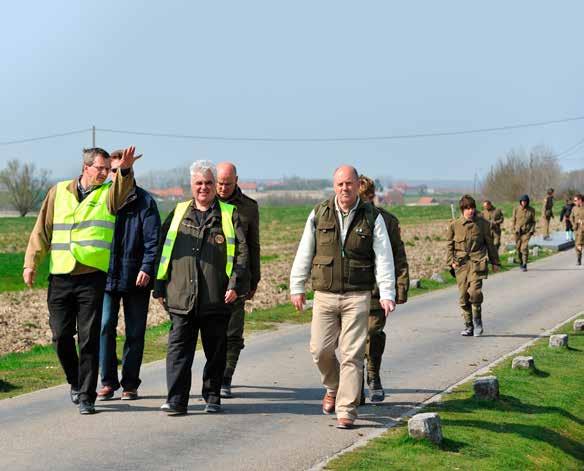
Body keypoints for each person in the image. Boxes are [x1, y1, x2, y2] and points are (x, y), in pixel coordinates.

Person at [23, 146, 138, 414]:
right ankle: (75, 381)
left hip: (91, 277)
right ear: (85, 167)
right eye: (100, 168)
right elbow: (42, 229)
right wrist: (31, 263)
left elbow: (122, 188)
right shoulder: (58, 192)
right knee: (60, 336)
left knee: (88, 339)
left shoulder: (109, 192)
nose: (104, 173)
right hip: (60, 275)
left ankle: (87, 396)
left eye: (107, 169)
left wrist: (124, 170)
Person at [290, 165, 396, 430]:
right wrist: (297, 287)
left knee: (352, 354)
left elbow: (384, 257)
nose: (345, 189)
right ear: (334, 186)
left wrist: (387, 293)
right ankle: (333, 387)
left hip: (357, 295)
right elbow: (305, 251)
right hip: (324, 294)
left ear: (358, 185)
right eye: (340, 185)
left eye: (349, 184)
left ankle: (346, 409)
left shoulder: (372, 216)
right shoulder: (319, 213)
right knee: (320, 350)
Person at [154, 160, 249, 416]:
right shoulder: (178, 213)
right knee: (178, 352)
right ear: (191, 185)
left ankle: (212, 395)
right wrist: (159, 286)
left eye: (208, 182)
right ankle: (176, 400)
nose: (204, 188)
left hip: (216, 297)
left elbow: (241, 254)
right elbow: (162, 251)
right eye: (199, 183)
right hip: (181, 296)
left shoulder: (229, 215)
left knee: (215, 352)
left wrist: (236, 285)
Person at [97, 151, 161, 401]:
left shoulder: (144, 201)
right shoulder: (101, 198)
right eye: (112, 171)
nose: (114, 176)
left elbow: (153, 239)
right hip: (105, 276)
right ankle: (107, 382)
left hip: (136, 277)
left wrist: (147, 267)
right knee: (104, 327)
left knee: (135, 332)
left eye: (120, 171)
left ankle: (130, 383)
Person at [358, 175, 409, 403]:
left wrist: (401, 285)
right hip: (352, 288)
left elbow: (398, 255)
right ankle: (355, 381)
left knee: (373, 332)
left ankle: (373, 373)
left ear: (372, 197)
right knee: (352, 338)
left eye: (365, 199)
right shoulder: (346, 219)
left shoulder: (387, 221)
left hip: (378, 289)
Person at [215, 162, 261, 398]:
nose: (222, 188)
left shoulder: (249, 208)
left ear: (236, 181)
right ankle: (213, 373)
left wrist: (255, 279)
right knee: (213, 332)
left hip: (239, 275)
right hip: (210, 278)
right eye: (219, 183)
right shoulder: (205, 202)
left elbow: (253, 245)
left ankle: (226, 377)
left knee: (233, 332)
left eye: (227, 184)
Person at [446, 195, 500, 337]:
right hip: (461, 265)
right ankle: (468, 325)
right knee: (463, 296)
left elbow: (490, 244)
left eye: (472, 208)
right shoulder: (454, 225)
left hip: (477, 263)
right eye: (467, 208)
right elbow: (449, 245)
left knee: (474, 293)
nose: (470, 211)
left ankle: (477, 323)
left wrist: (495, 262)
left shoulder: (483, 224)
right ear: (462, 210)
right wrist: (450, 261)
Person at [512, 194, 536, 272]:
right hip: (518, 232)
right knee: (518, 248)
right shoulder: (516, 209)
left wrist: (532, 230)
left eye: (525, 201)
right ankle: (521, 262)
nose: (523, 203)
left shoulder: (531, 210)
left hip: (527, 232)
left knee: (524, 248)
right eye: (522, 201)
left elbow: (533, 222)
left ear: (527, 202)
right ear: (520, 202)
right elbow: (513, 220)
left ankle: (525, 264)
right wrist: (513, 229)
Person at [570, 194, 584, 266]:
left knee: (579, 244)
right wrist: (574, 224)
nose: (574, 202)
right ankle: (579, 258)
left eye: (575, 200)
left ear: (580, 200)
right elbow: (571, 217)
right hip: (577, 229)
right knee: (577, 244)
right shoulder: (574, 208)